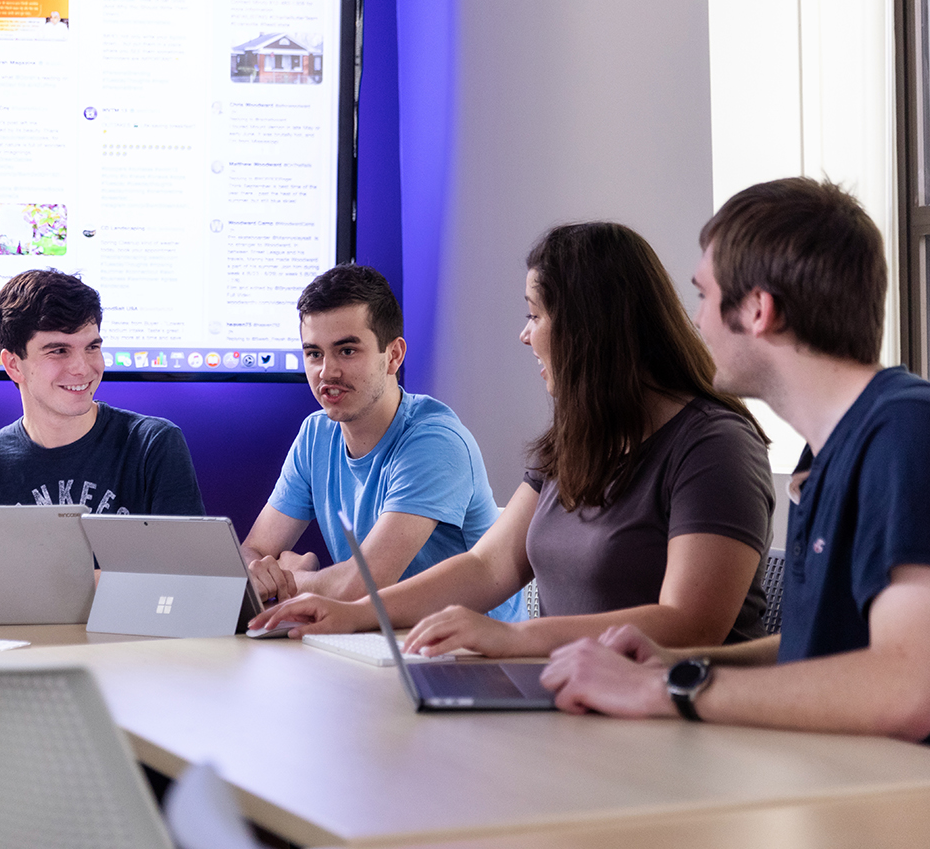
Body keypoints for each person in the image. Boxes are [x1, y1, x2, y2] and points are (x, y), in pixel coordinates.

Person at [540, 179, 930, 753]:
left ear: (759, 310)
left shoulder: (913, 436)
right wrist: (681, 663)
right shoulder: (835, 451)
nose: (695, 322)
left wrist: (666, 689)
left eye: (703, 297)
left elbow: (903, 690)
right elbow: (819, 653)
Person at [251, 226, 775, 657]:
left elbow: (689, 624)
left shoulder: (714, 446)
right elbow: (490, 565)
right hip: (572, 702)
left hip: (676, 722)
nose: (525, 335)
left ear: (588, 327)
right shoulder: (577, 439)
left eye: (534, 314)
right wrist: (357, 614)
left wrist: (516, 637)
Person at [0, 268, 205, 799]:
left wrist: (71, 587)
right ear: (12, 364)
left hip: (132, 663)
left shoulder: (153, 445)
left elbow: (187, 595)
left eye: (92, 346)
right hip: (10, 666)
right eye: (57, 351)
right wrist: (97, 583)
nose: (83, 367)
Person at [239, 264, 520, 620]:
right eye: (314, 353)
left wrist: (293, 577)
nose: (327, 372)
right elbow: (254, 550)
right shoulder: (316, 435)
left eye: (347, 351)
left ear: (394, 356)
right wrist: (256, 571)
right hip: (375, 640)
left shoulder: (435, 442)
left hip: (467, 657)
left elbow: (361, 587)